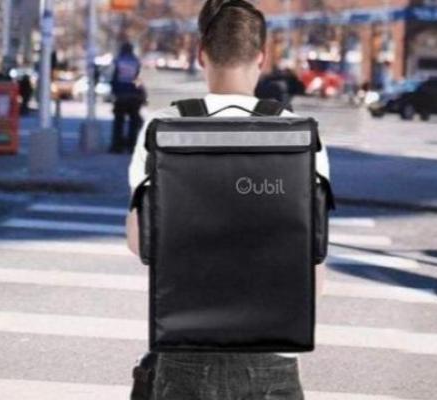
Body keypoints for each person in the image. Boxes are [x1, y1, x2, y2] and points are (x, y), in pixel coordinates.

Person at [125, 0, 330, 398]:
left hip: (186, 348)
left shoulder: (163, 127)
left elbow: (140, 241)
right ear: (261, 57)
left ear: (201, 53)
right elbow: (313, 261)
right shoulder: (300, 134)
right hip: (273, 350)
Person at [110, 42, 145, 153]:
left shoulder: (117, 61)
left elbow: (113, 78)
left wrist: (114, 91)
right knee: (133, 123)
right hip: (134, 96)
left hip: (121, 96)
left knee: (118, 122)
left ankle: (117, 146)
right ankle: (131, 146)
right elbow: (139, 79)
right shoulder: (136, 62)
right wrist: (140, 94)